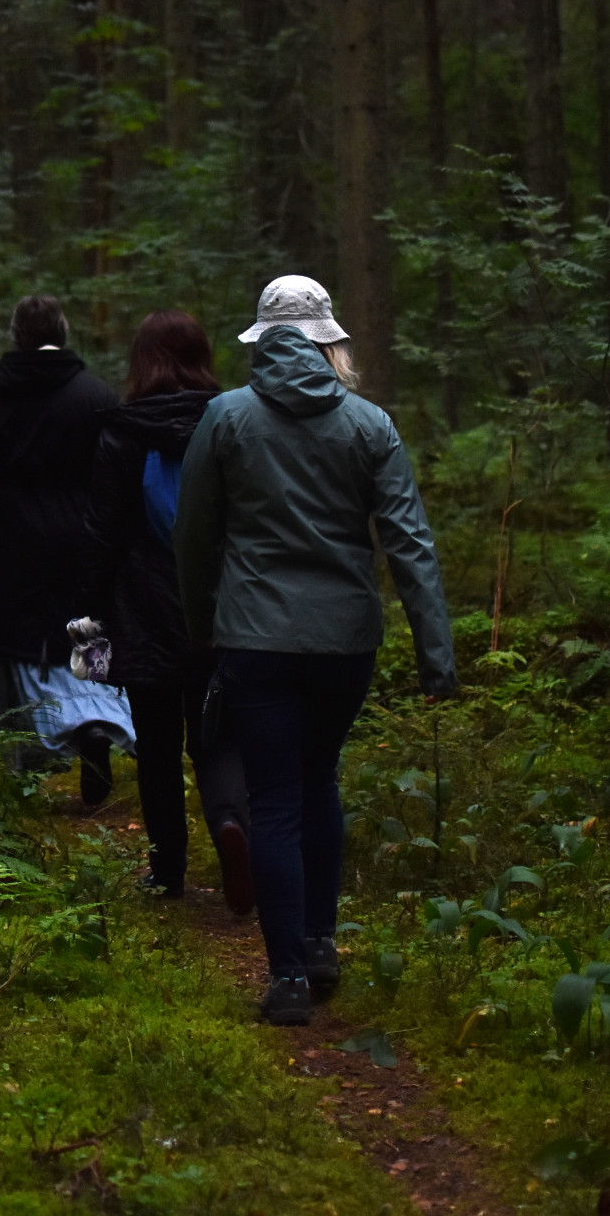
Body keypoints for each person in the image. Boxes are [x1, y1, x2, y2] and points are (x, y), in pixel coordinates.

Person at [174, 274, 457, 1027]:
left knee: (271, 799)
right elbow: (410, 544)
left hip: (254, 639)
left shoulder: (225, 418)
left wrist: (201, 619)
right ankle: (322, 941)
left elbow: (194, 533)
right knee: (317, 781)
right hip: (344, 643)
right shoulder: (370, 425)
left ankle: (289, 978)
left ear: (262, 342)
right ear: (331, 342)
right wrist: (437, 653)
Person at [77, 310, 251, 911]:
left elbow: (100, 533)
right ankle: (232, 825)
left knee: (155, 743)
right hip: (219, 604)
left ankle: (167, 871)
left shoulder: (122, 431)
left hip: (142, 607)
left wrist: (88, 618)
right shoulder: (231, 419)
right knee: (217, 732)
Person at [0, 294, 131, 804]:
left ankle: (25, 763)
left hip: (10, 546)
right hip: (84, 541)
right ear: (64, 333)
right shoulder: (96, 396)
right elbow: (120, 477)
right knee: (88, 631)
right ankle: (95, 728)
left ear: (15, 335)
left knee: (20, 649)